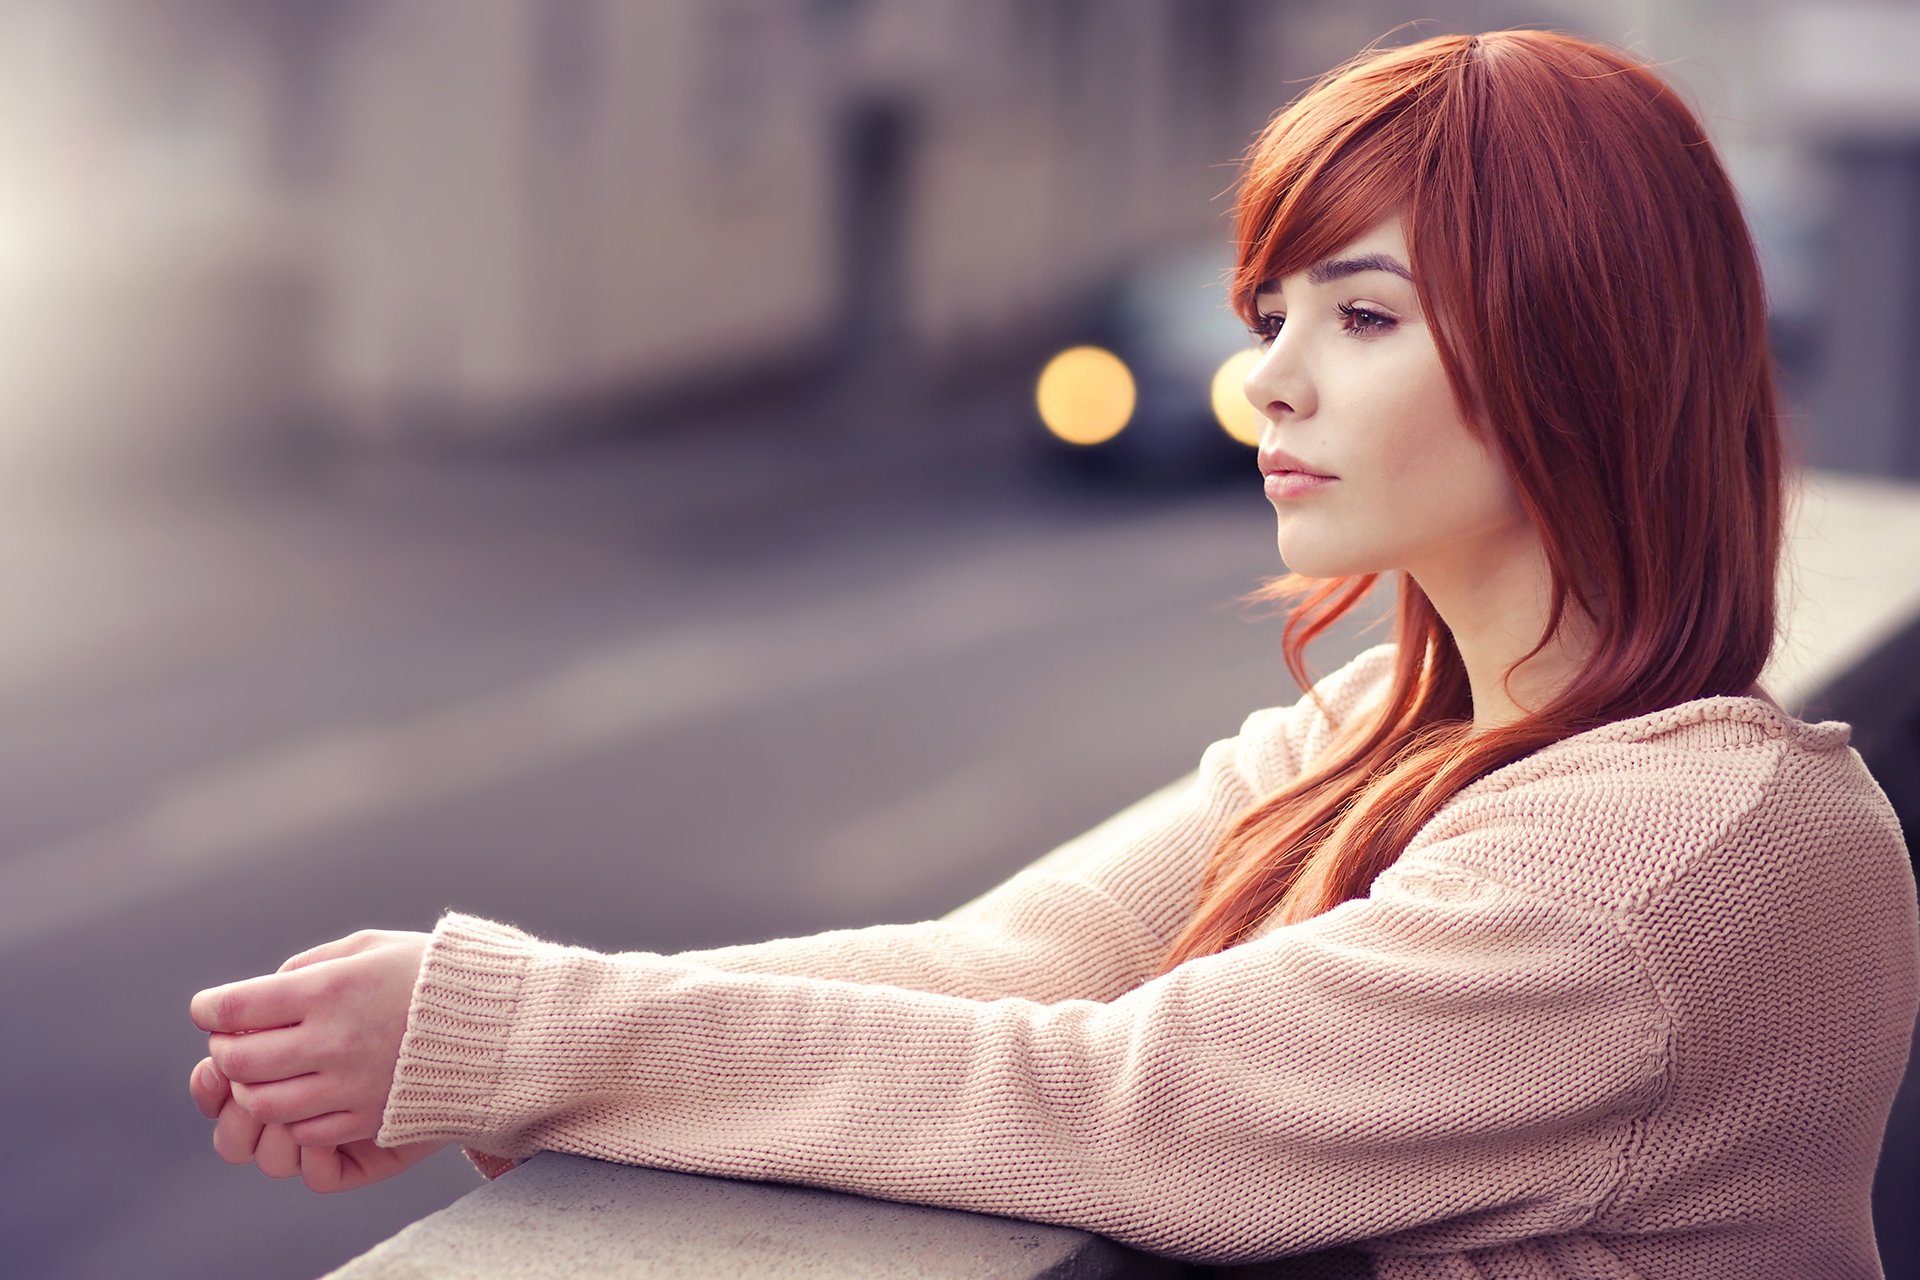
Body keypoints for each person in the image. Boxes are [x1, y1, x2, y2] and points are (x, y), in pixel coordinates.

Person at [188, 28, 1919, 1278]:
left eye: (1366, 317)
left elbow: (1120, 1105)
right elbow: (1017, 964)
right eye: (1274, 317)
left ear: (1584, 354)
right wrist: (461, 1046)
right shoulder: (1391, 738)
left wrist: (519, 1036)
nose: (1273, 383)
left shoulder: (1666, 867)